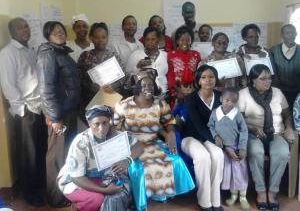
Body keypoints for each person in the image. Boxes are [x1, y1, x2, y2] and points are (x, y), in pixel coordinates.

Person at [113, 71, 195, 211]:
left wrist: (170, 134)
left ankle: (161, 193)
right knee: (138, 167)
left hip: (153, 141)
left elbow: (169, 122)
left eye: (150, 85)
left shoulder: (160, 103)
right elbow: (115, 127)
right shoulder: (124, 105)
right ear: (137, 87)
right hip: (132, 144)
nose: (148, 88)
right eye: (143, 85)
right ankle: (141, 199)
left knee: (174, 160)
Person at [57, 105, 144, 211]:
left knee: (123, 189)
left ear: (109, 122)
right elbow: (77, 178)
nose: (101, 128)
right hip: (75, 181)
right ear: (89, 123)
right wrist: (105, 191)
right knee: (96, 199)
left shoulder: (115, 135)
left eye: (105, 123)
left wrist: (128, 160)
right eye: (96, 124)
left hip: (101, 178)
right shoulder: (81, 143)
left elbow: (139, 145)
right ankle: (78, 207)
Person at [0, 17, 47, 206]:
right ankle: (29, 193)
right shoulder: (7, 53)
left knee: (39, 150)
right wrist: (21, 110)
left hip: (39, 108)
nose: (25, 29)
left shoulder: (29, 50)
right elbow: (8, 85)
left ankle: (39, 186)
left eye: (26, 26)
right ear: (12, 31)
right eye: (20, 27)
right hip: (26, 111)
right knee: (28, 154)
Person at [238, 64, 295, 211]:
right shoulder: (243, 94)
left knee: (282, 153)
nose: (267, 81)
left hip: (276, 132)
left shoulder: (277, 92)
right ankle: (261, 191)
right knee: (256, 152)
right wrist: (252, 128)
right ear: (252, 80)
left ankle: (273, 192)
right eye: (263, 79)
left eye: (269, 78)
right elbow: (238, 119)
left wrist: (288, 128)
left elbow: (287, 114)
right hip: (252, 133)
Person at [37, 21, 81, 207]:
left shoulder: (62, 52)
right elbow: (46, 88)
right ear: (48, 36)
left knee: (66, 154)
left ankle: (66, 191)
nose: (59, 34)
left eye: (61, 31)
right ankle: (55, 197)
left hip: (69, 111)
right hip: (59, 114)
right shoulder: (47, 54)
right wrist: (55, 118)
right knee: (56, 156)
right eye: (54, 32)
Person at [181, 65, 224, 211]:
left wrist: (218, 139)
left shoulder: (221, 97)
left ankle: (216, 200)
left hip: (210, 137)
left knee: (218, 155)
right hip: (190, 138)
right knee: (203, 157)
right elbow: (198, 125)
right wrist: (215, 139)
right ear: (198, 80)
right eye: (204, 77)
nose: (208, 80)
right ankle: (204, 201)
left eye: (211, 77)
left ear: (216, 79)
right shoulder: (190, 99)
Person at [78, 22, 130, 123]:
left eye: (103, 37)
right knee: (97, 128)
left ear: (107, 38)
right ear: (91, 38)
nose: (100, 40)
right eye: (97, 37)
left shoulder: (114, 56)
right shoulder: (85, 56)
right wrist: (90, 86)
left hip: (111, 100)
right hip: (92, 101)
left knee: (112, 127)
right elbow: (78, 78)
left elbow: (123, 77)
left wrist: (113, 86)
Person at [208, 88, 249, 210]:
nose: (229, 103)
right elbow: (210, 126)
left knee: (240, 171)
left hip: (236, 148)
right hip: (222, 149)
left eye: (233, 101)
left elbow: (244, 131)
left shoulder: (237, 115)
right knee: (229, 172)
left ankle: (243, 196)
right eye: (226, 100)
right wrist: (216, 136)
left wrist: (242, 148)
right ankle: (233, 195)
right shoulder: (215, 113)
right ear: (220, 99)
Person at [167, 26, 201, 109]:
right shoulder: (171, 54)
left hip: (193, 90)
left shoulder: (196, 54)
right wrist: (178, 91)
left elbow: (198, 73)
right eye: (182, 40)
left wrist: (194, 89)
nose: (185, 42)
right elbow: (170, 74)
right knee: (178, 117)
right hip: (177, 92)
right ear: (177, 41)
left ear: (191, 41)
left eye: (188, 40)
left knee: (192, 113)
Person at [127, 27, 168, 93]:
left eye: (153, 39)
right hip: (141, 96)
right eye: (147, 39)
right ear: (144, 40)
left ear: (158, 40)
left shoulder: (166, 56)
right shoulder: (136, 55)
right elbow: (127, 75)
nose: (150, 42)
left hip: (162, 95)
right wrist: (138, 66)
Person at [270, 24, 300, 107]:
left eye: (293, 33)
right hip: (278, 92)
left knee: (296, 116)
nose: (290, 35)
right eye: (287, 33)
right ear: (282, 35)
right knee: (280, 117)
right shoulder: (273, 50)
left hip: (298, 93)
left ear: (296, 34)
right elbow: (271, 72)